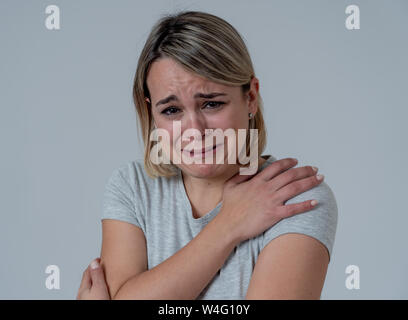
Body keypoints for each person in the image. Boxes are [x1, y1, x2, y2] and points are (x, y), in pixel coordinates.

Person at [76, 10, 337, 300]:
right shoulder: (132, 187)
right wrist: (228, 226)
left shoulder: (295, 198)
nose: (194, 130)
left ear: (250, 97)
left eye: (211, 104)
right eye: (171, 110)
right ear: (151, 112)